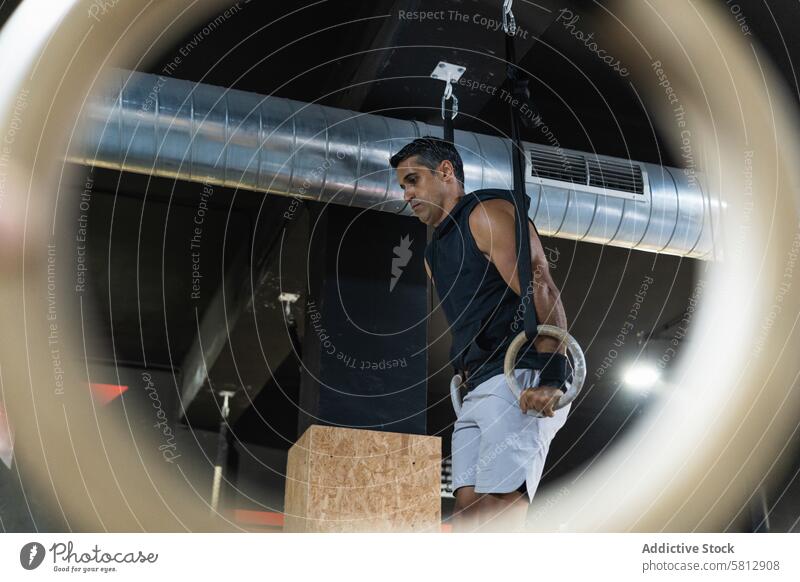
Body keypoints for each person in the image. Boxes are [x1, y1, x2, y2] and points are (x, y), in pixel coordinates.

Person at [390, 137, 571, 532]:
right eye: (402, 186)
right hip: (475, 388)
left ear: (446, 172)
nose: (407, 194)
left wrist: (554, 375)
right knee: (468, 518)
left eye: (413, 180)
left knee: (498, 514)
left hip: (519, 378)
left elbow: (540, 285)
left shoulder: (487, 214)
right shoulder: (433, 255)